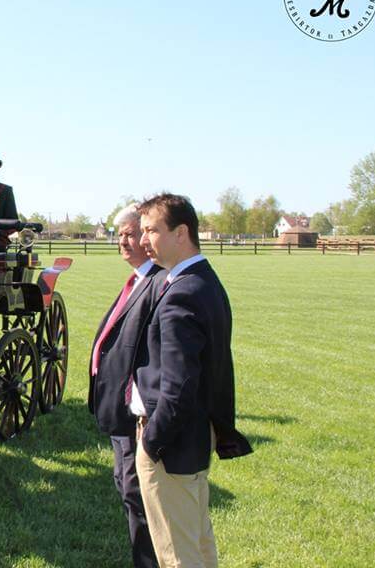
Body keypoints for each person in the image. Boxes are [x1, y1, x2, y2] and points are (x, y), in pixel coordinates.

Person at [131, 193, 253, 568]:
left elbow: (178, 386)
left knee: (177, 555)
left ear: (181, 232)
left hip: (171, 445)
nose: (142, 240)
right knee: (198, 544)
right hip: (194, 437)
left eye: (151, 230)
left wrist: (153, 443)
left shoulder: (182, 293)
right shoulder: (204, 280)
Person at [88, 204, 165, 568]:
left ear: (148, 239)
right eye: (120, 235)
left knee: (138, 495)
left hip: (137, 413)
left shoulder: (155, 284)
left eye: (131, 234)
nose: (124, 241)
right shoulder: (137, 279)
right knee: (127, 488)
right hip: (120, 410)